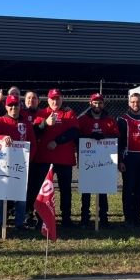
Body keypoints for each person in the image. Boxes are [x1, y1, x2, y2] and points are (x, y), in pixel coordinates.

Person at [33, 88, 79, 227]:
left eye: (58, 99)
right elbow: (35, 132)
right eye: (52, 99)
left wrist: (57, 141)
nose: (55, 101)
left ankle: (66, 218)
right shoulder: (42, 113)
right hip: (45, 159)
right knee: (42, 189)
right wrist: (45, 123)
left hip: (64, 159)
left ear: (62, 100)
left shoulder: (69, 113)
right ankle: (41, 218)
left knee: (65, 190)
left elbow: (74, 132)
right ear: (48, 100)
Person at [0, 94, 36, 231]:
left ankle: (19, 222)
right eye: (10, 105)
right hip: (1, 165)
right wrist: (3, 138)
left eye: (16, 105)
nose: (13, 108)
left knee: (20, 194)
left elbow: (33, 144)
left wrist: (29, 160)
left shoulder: (26, 124)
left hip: (20, 165)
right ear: (6, 106)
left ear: (20, 107)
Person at [78, 92, 118, 228]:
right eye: (95, 102)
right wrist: (89, 136)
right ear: (90, 103)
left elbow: (116, 137)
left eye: (100, 102)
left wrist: (104, 136)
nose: (97, 105)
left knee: (102, 189)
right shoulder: (83, 120)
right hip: (88, 160)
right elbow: (77, 137)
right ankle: (84, 217)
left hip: (104, 160)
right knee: (86, 190)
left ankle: (103, 217)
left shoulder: (109, 120)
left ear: (103, 104)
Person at [118, 92, 140, 227]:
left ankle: (138, 217)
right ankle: (128, 218)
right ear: (129, 103)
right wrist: (120, 160)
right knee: (128, 188)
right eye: (133, 102)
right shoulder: (123, 119)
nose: (135, 104)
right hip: (129, 158)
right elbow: (119, 142)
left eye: (138, 101)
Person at [22, 90, 42, 226]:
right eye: (28, 98)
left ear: (38, 101)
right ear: (24, 100)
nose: (31, 100)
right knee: (24, 188)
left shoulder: (44, 114)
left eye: (34, 98)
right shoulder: (19, 113)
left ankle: (38, 214)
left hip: (40, 157)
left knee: (37, 188)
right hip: (22, 158)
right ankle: (26, 213)